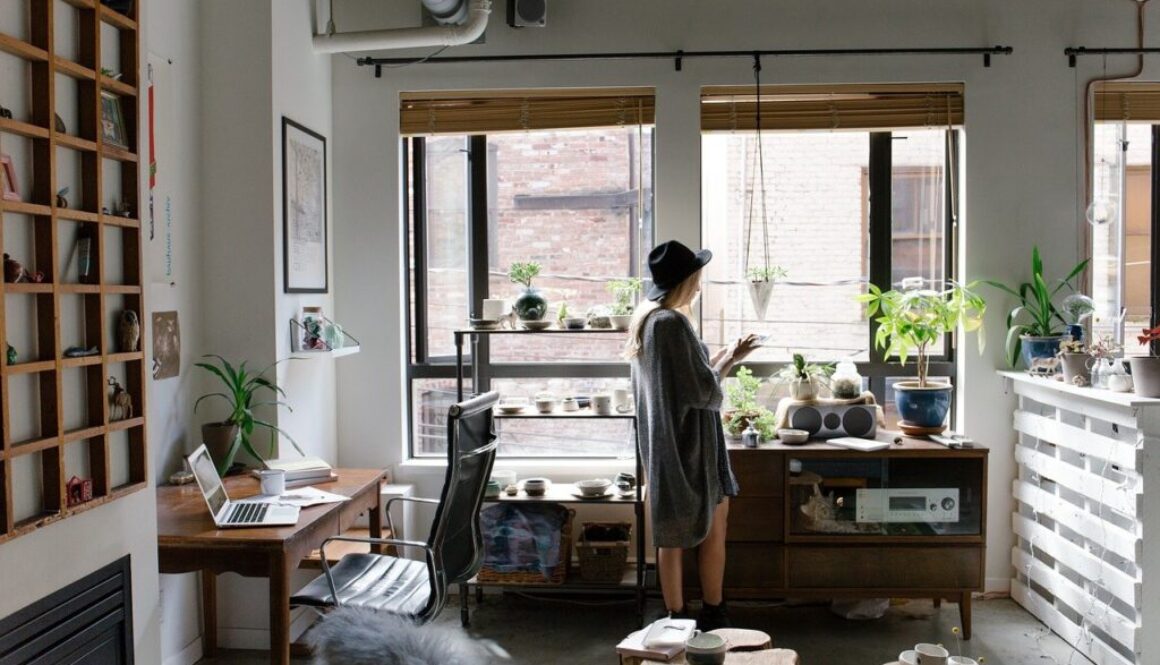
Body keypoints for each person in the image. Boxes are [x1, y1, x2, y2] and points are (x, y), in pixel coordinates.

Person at [625, 239, 760, 630]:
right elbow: (703, 392)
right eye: (697, 277)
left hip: (665, 446)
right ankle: (713, 612)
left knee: (670, 533)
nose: (700, 285)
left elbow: (686, 378)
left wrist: (723, 355)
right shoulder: (673, 324)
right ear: (686, 280)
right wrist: (731, 360)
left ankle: (675, 618)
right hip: (691, 448)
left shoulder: (648, 321)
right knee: (713, 528)